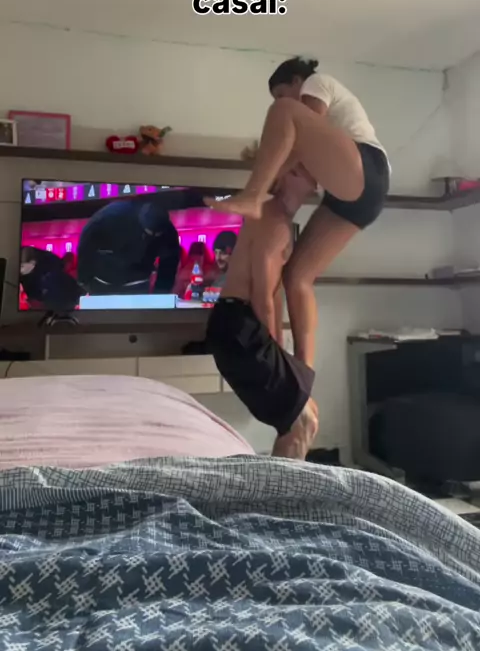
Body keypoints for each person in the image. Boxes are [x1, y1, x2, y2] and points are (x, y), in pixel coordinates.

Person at [206, 57, 390, 368]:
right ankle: (303, 370)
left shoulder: (317, 83)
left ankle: (252, 196)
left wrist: (267, 183)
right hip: (356, 199)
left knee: (284, 113)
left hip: (367, 168)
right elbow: (300, 154)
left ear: (296, 81)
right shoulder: (314, 137)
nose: (279, 101)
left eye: (281, 93)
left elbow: (298, 143)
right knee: (297, 276)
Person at [207, 170, 318, 460]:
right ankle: (279, 488)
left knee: (306, 415)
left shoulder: (278, 217)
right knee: (302, 423)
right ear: (291, 172)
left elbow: (273, 297)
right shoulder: (273, 220)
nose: (319, 171)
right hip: (239, 326)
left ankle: (280, 482)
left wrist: (280, 352)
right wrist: (276, 349)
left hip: (237, 324)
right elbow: (262, 298)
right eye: (310, 165)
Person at [77, 198, 181, 296]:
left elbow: (169, 262)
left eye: (155, 235)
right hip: (103, 278)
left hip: (138, 281)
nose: (150, 236)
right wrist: (84, 278)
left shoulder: (168, 231)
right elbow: (86, 243)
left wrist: (161, 292)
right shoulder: (111, 215)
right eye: (147, 233)